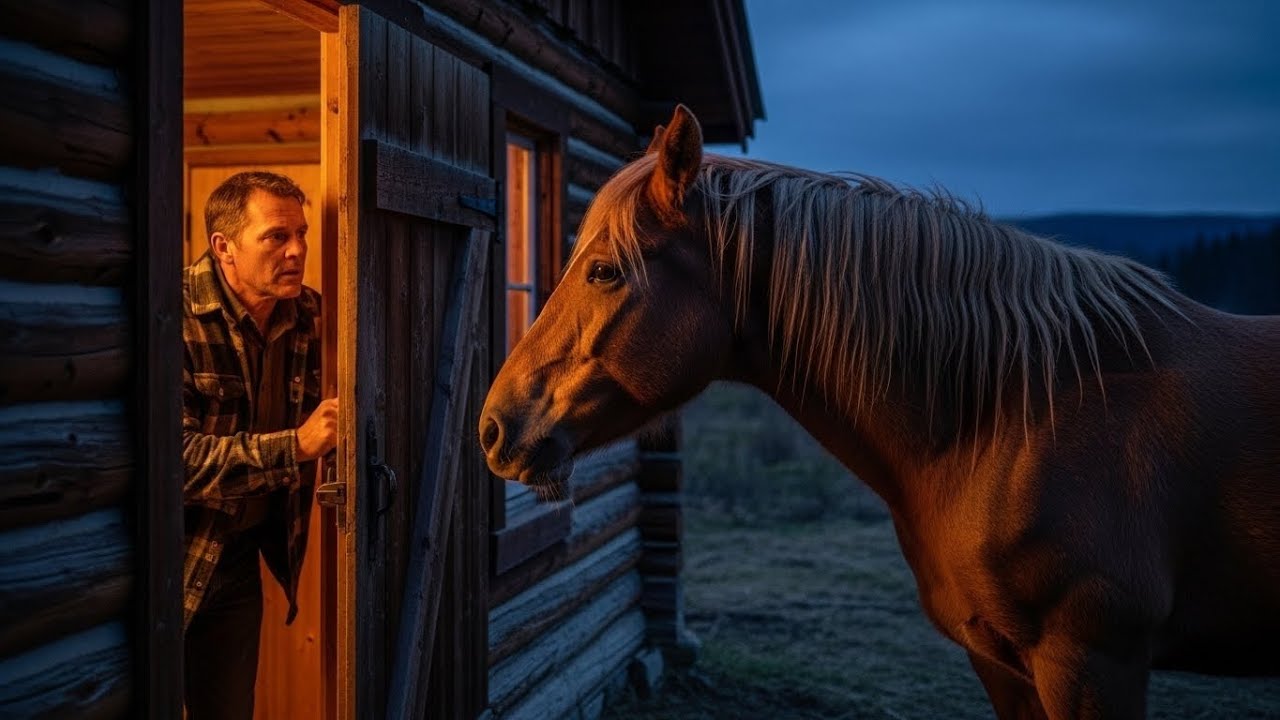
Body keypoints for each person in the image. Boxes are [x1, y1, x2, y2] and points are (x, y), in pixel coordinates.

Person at [181, 171, 337, 719]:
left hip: (239, 557)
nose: (297, 250)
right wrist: (294, 446)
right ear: (224, 247)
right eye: (276, 236)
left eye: (302, 233)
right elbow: (174, 462)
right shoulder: (170, 315)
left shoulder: (313, 316)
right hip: (166, 556)